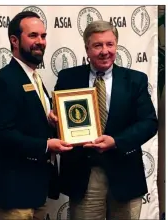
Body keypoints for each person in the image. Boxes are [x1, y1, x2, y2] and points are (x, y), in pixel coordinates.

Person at [49, 20, 158, 220]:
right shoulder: (68, 78)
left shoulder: (135, 80)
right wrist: (54, 119)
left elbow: (149, 123)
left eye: (110, 44)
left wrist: (116, 141)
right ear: (87, 49)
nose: (105, 51)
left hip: (125, 175)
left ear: (116, 45)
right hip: (85, 176)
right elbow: (59, 117)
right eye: (98, 45)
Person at [0, 11, 72, 220]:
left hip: (36, 189)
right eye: (33, 36)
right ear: (14, 40)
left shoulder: (34, 78)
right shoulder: (3, 81)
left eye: (43, 36)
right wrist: (46, 145)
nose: (40, 42)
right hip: (12, 193)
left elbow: (26, 123)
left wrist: (49, 121)